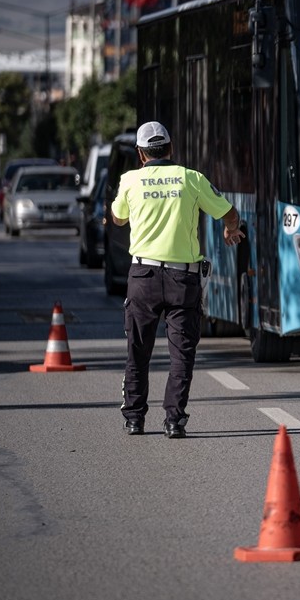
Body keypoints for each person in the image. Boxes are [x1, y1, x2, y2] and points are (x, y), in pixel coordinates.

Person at [110, 121, 244, 439]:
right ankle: (174, 420)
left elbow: (118, 217)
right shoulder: (191, 178)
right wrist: (230, 229)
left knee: (137, 349)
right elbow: (229, 212)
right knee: (181, 353)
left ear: (141, 154)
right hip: (183, 278)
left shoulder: (130, 180)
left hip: (142, 276)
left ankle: (134, 418)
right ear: (170, 149)